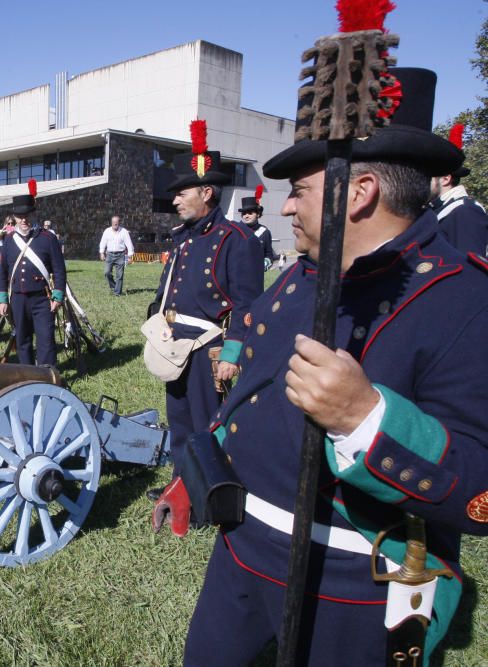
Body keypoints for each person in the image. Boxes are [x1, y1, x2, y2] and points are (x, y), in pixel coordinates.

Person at [178, 64, 488, 665]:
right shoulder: (300, 276)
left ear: (360, 191)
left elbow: (480, 493)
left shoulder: (464, 301)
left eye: (301, 190)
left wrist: (367, 419)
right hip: (240, 551)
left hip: (354, 582)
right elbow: (252, 398)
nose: (287, 207)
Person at [148, 120, 262, 455]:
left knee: (207, 426)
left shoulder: (237, 240)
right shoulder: (184, 237)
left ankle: (208, 497)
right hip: (176, 342)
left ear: (206, 193)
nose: (175, 202)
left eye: (182, 194)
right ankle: (181, 489)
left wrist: (232, 353)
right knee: (179, 421)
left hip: (208, 349)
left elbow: (247, 304)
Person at [0, 180, 66, 366]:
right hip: (18, 299)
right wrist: (2, 298)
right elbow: (2, 271)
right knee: (22, 340)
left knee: (45, 341)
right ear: (14, 217)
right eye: (19, 216)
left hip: (42, 299)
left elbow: (59, 269)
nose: (23, 220)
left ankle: (47, 376)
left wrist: (57, 296)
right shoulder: (9, 240)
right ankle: (26, 373)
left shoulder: (47, 238)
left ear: (32, 214)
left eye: (26, 215)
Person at [429, 123, 488, 255]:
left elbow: (471, 269)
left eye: (429, 177)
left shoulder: (464, 211)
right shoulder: (438, 209)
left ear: (445, 179)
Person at [238, 185, 280, 270]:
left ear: (258, 214)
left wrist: (261, 266)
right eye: (244, 213)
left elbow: (269, 255)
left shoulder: (265, 232)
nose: (246, 216)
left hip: (255, 274)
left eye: (250, 213)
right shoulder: (236, 230)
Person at [99, 215, 134, 296]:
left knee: (120, 275)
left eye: (116, 222)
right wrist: (101, 252)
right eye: (113, 222)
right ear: (111, 223)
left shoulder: (124, 231)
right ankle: (114, 286)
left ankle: (117, 293)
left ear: (119, 222)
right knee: (107, 272)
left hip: (120, 255)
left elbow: (129, 244)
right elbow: (103, 242)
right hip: (109, 254)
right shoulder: (107, 231)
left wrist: (129, 256)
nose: (115, 224)